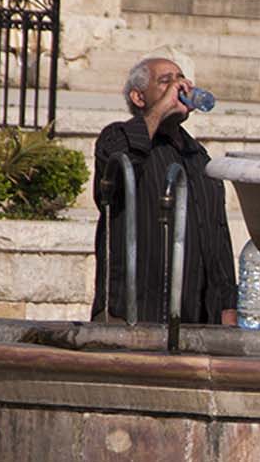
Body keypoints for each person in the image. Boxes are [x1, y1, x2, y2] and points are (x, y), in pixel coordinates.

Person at [91, 57, 237, 325]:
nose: (178, 86)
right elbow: (117, 172)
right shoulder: (117, 137)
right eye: (165, 81)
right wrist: (159, 112)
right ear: (138, 97)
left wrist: (228, 307)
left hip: (194, 317)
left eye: (180, 78)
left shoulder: (198, 156)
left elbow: (217, 235)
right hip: (133, 313)